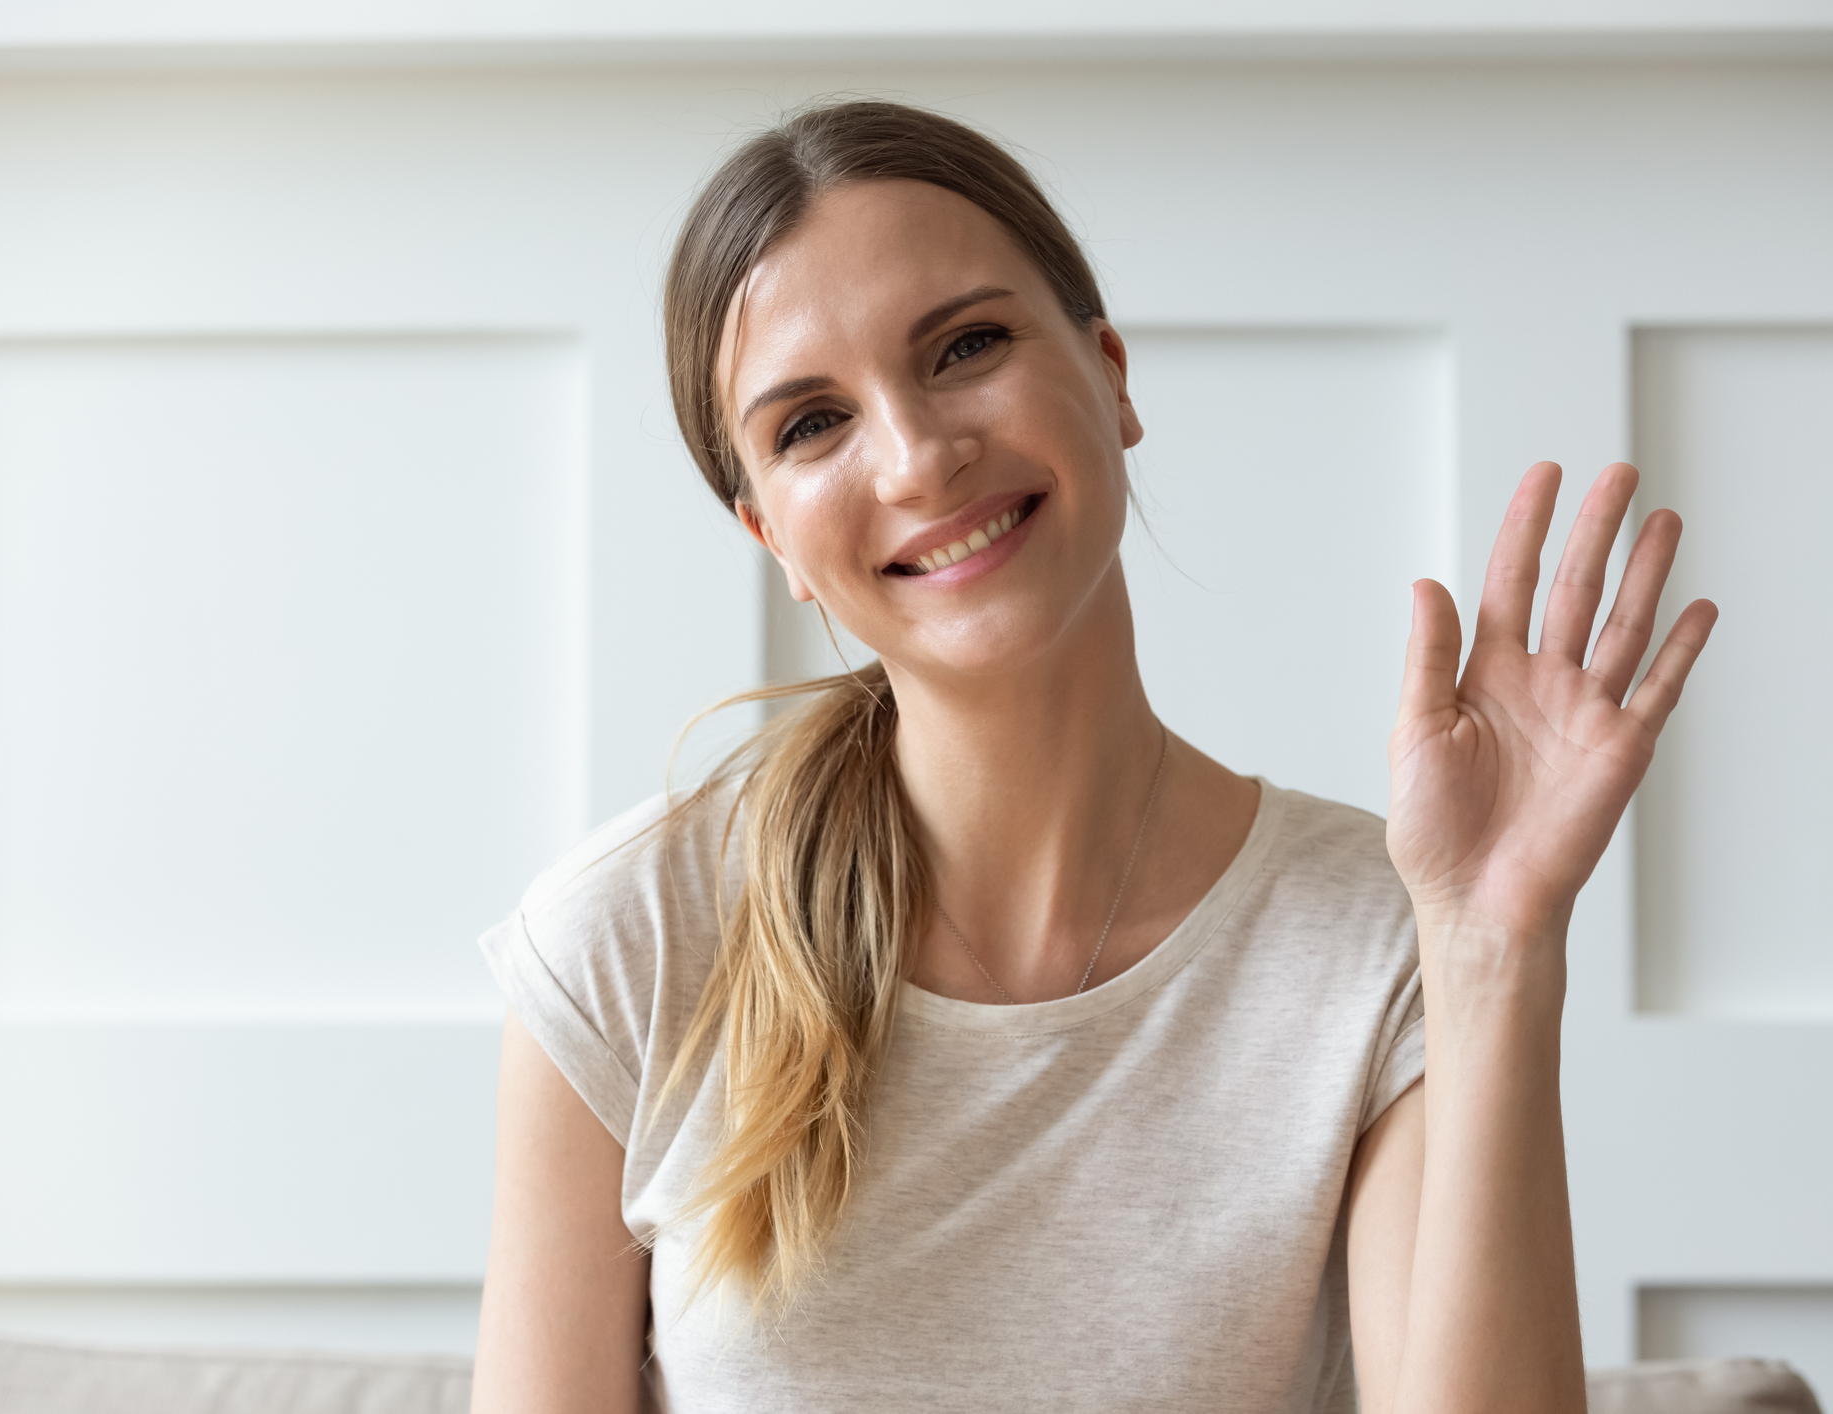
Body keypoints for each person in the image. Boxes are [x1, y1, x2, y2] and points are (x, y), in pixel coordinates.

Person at [469, 100, 1716, 1414]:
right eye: (810, 424)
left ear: (1110, 374)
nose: (915, 455)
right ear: (768, 535)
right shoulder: (627, 943)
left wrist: (1494, 946)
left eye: (964, 345)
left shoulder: (1376, 935)